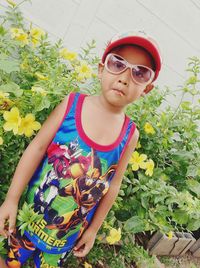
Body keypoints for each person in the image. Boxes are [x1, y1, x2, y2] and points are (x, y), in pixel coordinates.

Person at [0, 30, 162, 268]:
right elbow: (37, 148)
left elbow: (113, 184)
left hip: (64, 238)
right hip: (26, 219)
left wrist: (94, 229)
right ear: (100, 69)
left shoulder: (130, 135)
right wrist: (11, 199)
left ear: (147, 88)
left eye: (140, 72)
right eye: (117, 63)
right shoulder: (72, 105)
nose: (125, 77)